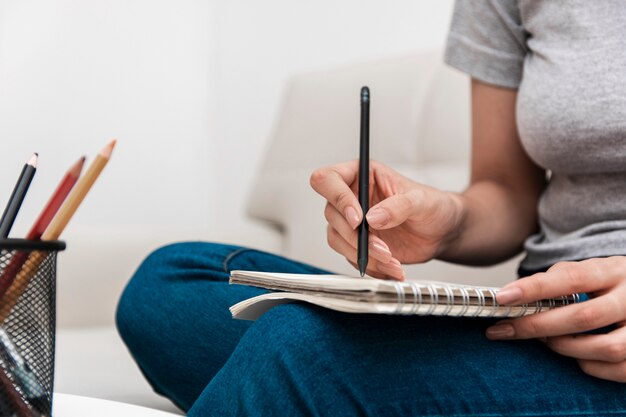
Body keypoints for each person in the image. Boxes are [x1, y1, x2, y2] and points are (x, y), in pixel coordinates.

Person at [116, 1, 626, 415]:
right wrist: (445, 220)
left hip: (609, 362)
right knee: (165, 286)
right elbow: (508, 191)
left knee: (299, 350)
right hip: (540, 310)